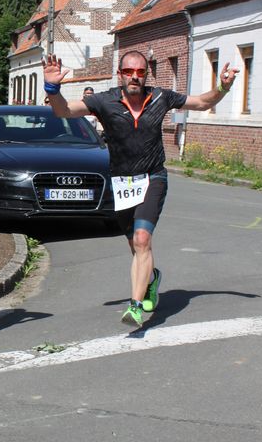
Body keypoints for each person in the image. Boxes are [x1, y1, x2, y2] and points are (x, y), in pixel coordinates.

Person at [43, 50, 239, 328]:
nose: (134, 77)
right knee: (135, 246)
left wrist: (223, 86)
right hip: (122, 182)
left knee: (142, 239)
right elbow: (63, 110)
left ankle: (135, 307)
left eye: (140, 72)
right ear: (120, 74)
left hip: (153, 178)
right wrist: (52, 88)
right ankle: (152, 278)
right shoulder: (104, 100)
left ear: (146, 74)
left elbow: (202, 102)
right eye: (128, 72)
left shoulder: (161, 97)